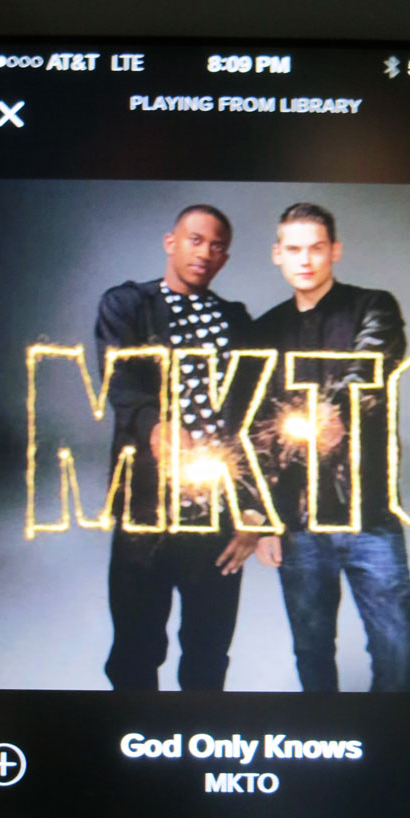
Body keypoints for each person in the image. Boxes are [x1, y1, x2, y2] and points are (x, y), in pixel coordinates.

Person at [254, 202, 410, 691]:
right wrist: (261, 519)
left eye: (316, 248)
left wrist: (335, 412)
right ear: (277, 255)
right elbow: (254, 427)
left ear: (335, 251)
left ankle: (387, 734)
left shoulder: (374, 306)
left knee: (396, 651)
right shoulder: (263, 331)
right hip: (298, 521)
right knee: (311, 652)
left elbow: (372, 365)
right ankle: (326, 732)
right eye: (294, 249)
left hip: (369, 513)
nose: (305, 260)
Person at [95, 205, 258, 690]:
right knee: (135, 650)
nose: (205, 252)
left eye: (217, 245)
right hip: (146, 509)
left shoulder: (237, 320)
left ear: (225, 257)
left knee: (209, 653)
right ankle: (135, 731)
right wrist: (156, 425)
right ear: (171, 243)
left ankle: (197, 730)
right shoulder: (128, 305)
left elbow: (256, 418)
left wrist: (254, 511)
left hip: (217, 512)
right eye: (195, 239)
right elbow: (119, 380)